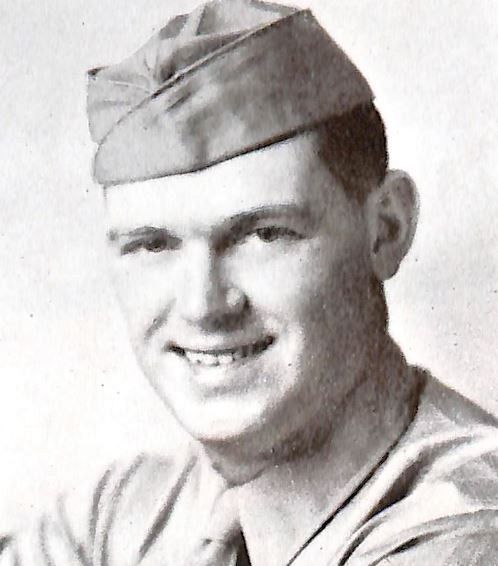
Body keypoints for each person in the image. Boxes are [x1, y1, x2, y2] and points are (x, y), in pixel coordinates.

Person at [2, 0, 498, 564]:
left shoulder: (468, 530)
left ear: (386, 229)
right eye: (153, 245)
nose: (203, 305)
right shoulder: (124, 512)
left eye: (263, 234)